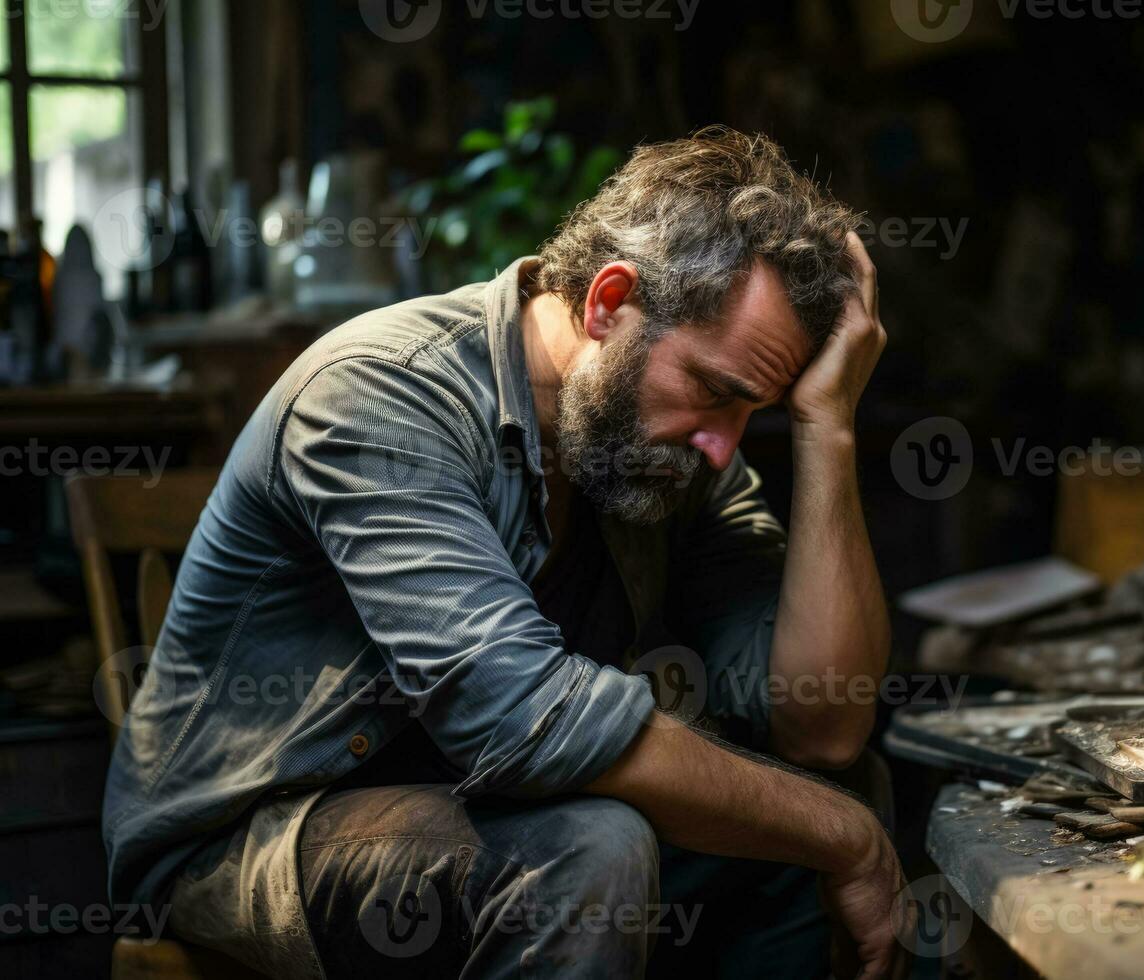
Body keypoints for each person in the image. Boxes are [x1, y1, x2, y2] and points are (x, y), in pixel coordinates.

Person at [102, 127, 909, 979]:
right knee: (592, 850)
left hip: (475, 810)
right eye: (714, 390)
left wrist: (828, 427)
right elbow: (522, 718)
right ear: (608, 304)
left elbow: (824, 724)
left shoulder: (668, 447)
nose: (724, 446)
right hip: (250, 838)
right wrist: (843, 838)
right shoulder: (380, 391)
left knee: (837, 796)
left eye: (757, 409)